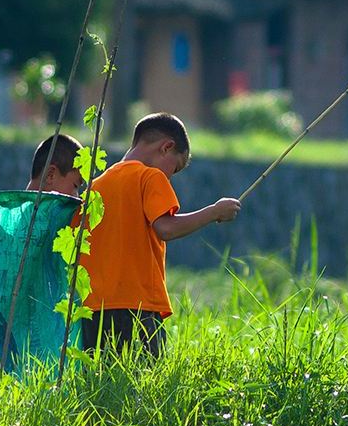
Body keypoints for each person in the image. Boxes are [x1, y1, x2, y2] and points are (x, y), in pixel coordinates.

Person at [79, 112, 241, 357]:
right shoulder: (150, 176)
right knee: (142, 386)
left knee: (100, 386)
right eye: (173, 169)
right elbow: (165, 227)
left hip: (91, 310)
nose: (169, 177)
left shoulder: (95, 187)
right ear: (167, 147)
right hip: (136, 306)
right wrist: (214, 212)